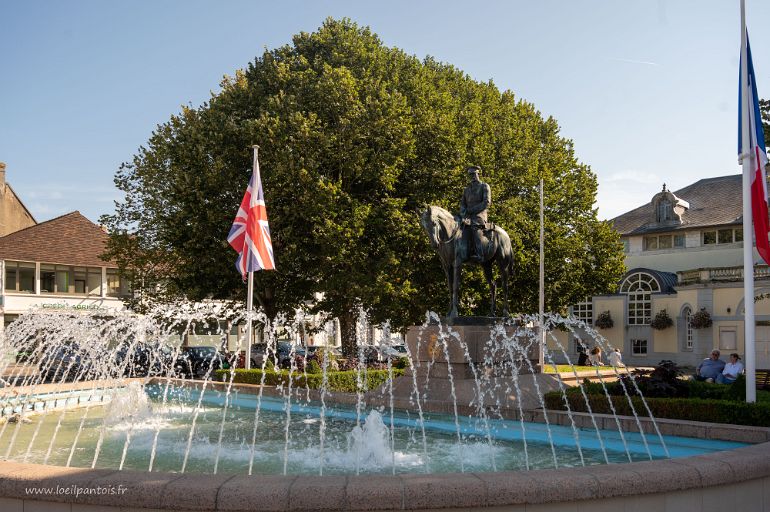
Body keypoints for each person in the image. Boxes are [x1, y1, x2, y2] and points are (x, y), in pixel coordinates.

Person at [460, 166, 491, 262]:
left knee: (475, 228)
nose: (472, 176)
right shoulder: (466, 189)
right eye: (470, 175)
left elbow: (487, 202)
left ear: (478, 174)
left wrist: (472, 210)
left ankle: (479, 254)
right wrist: (464, 212)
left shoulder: (484, 186)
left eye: (474, 174)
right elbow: (462, 204)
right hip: (467, 216)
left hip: (479, 215)